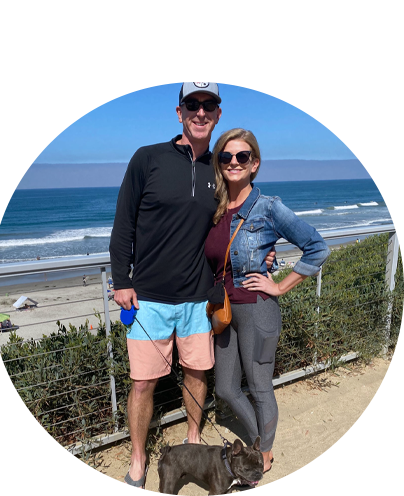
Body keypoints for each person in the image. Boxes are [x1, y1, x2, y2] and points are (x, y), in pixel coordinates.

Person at [109, 85, 275, 496]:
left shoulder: (221, 170)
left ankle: (194, 439)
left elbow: (237, 223)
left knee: (197, 375)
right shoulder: (147, 158)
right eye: (192, 104)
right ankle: (138, 459)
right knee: (143, 384)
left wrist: (263, 258)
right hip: (147, 298)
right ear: (179, 111)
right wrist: (122, 280)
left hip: (199, 300)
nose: (200, 112)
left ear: (218, 114)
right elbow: (123, 222)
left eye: (209, 105)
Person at [204, 128, 330, 475]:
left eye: (242, 156)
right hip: (224, 311)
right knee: (227, 389)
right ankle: (259, 439)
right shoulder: (213, 207)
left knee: (259, 387)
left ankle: (263, 451)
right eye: (226, 156)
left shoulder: (268, 207)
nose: (233, 162)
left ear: (254, 164)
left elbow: (318, 247)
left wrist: (280, 286)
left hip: (259, 309)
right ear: (219, 162)